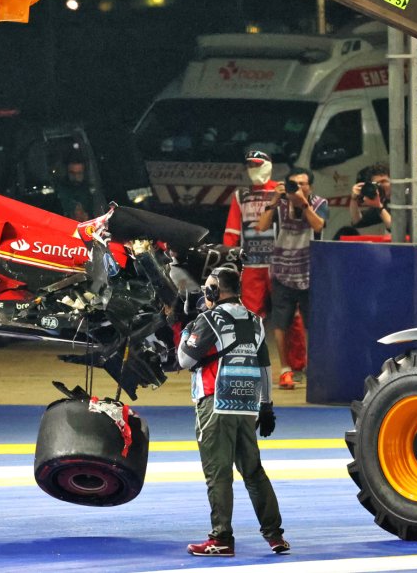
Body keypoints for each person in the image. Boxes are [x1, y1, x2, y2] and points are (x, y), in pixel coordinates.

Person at [171, 267, 288, 557]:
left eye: (208, 289)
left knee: (218, 473)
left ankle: (221, 538)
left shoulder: (209, 320)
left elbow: (184, 359)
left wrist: (188, 327)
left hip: (215, 403)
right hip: (247, 406)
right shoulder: (256, 321)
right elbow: (265, 367)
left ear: (213, 292)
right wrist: (267, 406)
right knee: (253, 471)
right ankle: (274, 535)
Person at [223, 150, 308, 384]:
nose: (253, 169)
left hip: (281, 264)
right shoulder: (241, 195)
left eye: (258, 165)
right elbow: (232, 231)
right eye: (249, 165)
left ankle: (298, 365)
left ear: (269, 166)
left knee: (291, 316)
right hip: (252, 265)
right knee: (248, 317)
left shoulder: (281, 192)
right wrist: (228, 262)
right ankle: (248, 362)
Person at [255, 168, 328, 390]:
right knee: (280, 323)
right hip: (282, 272)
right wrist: (274, 201)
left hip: (309, 271)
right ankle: (285, 369)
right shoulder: (281, 203)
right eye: (294, 184)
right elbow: (261, 227)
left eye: (303, 184)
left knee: (312, 323)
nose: (298, 187)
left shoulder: (318, 202)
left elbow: (318, 225)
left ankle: (313, 366)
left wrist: (303, 203)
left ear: (310, 187)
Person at [347, 163, 392, 233]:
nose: (380, 185)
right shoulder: (382, 204)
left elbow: (394, 228)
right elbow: (357, 221)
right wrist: (354, 199)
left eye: (383, 181)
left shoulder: (405, 199)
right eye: (377, 183)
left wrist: (379, 207)